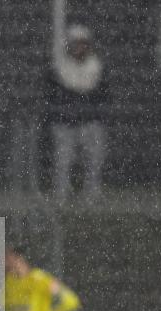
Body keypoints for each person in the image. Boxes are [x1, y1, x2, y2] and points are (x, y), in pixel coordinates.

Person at [47, 16, 107, 202]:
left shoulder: (96, 68)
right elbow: (54, 96)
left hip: (91, 122)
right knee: (63, 161)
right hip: (64, 123)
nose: (80, 48)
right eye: (76, 44)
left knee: (94, 161)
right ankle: (61, 195)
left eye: (84, 44)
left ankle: (91, 194)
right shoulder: (59, 69)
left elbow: (103, 96)